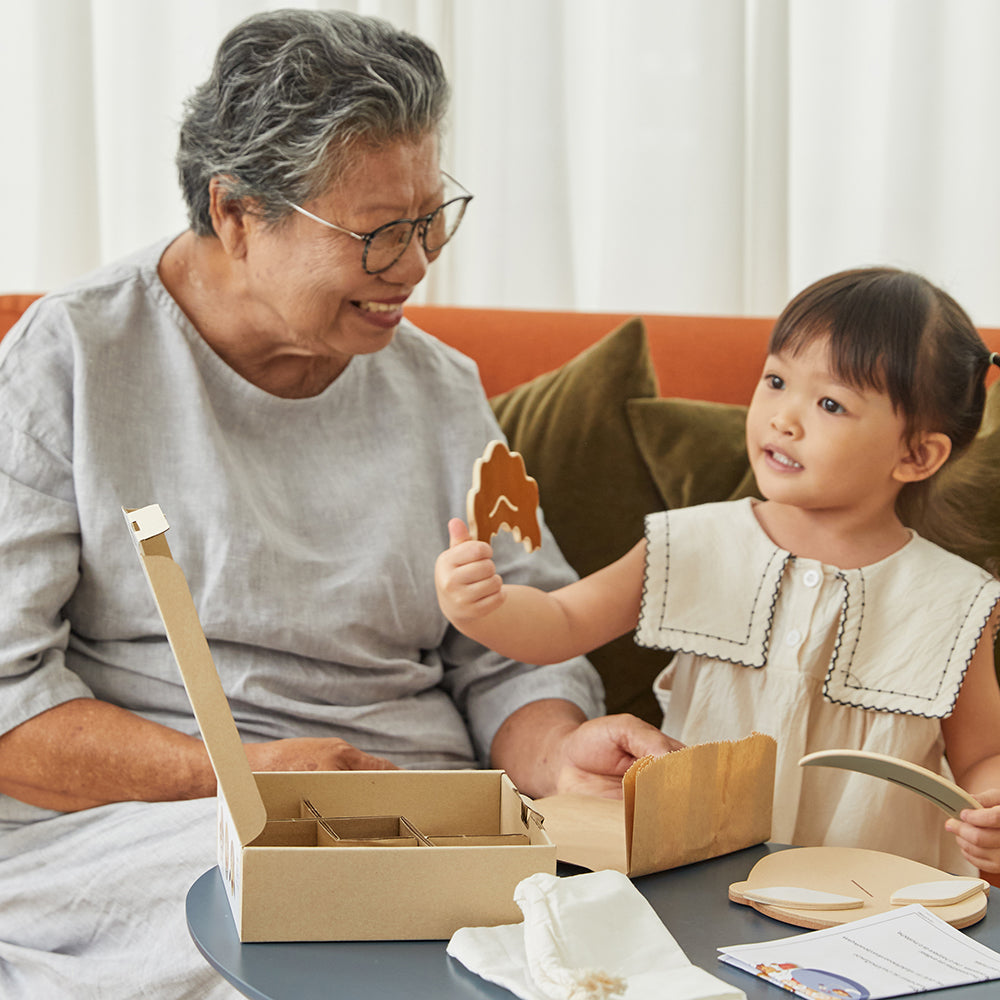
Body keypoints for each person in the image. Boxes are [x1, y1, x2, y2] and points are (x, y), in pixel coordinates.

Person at [0, 10, 677, 998]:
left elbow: (510, 649)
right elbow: (10, 706)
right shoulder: (70, 362)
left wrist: (557, 747)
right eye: (376, 234)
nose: (415, 264)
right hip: (156, 824)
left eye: (430, 218)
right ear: (235, 212)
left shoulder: (442, 389)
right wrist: (248, 775)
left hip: (423, 829)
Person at [437, 267, 1000, 876]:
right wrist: (484, 608)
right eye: (777, 380)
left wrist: (992, 804)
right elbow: (563, 620)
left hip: (874, 901)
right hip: (698, 874)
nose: (784, 417)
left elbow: (981, 755)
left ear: (917, 454)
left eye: (830, 403)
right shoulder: (695, 541)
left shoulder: (952, 600)